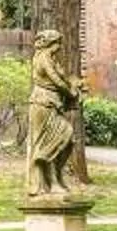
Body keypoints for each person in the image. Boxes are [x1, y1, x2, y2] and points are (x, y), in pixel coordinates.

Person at [24, 30, 78, 194]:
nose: (59, 47)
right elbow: (56, 80)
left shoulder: (51, 59)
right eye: (57, 43)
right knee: (52, 140)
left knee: (67, 138)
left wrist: (75, 85)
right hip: (42, 103)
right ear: (49, 43)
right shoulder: (43, 58)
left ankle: (55, 178)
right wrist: (71, 92)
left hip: (53, 104)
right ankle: (48, 181)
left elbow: (63, 79)